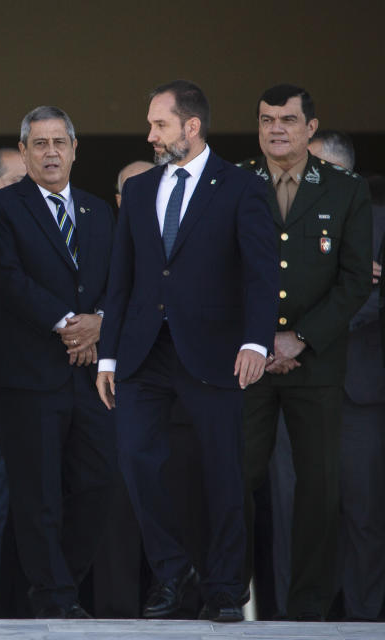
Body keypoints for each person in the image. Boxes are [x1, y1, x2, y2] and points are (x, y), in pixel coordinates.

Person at [96, 80, 279, 623]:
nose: (150, 135)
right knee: (135, 460)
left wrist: (256, 341)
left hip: (217, 351)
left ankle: (225, 588)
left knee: (224, 472)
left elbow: (261, 272)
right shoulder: (141, 188)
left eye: (160, 125)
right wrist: (107, 356)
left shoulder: (241, 186)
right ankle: (172, 573)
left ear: (191, 127)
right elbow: (121, 279)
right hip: (142, 352)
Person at [240, 84, 372, 621]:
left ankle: (308, 610)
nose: (277, 128)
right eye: (267, 118)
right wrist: (256, 337)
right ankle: (229, 595)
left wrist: (302, 336)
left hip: (316, 363)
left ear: (310, 128)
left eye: (289, 119)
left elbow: (355, 278)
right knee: (238, 480)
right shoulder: (233, 182)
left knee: (318, 490)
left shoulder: (345, 189)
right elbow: (218, 271)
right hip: (246, 360)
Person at [0, 106, 116, 618]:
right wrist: (69, 324)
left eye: (60, 142)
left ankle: (57, 584)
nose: (51, 152)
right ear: (24, 152)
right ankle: (56, 597)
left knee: (98, 483)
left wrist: (98, 322)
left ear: (75, 149)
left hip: (90, 371)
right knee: (37, 493)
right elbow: (7, 278)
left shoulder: (98, 210)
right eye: (39, 144)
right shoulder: (2, 208)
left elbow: (118, 280)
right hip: (27, 373)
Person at [338, 173, 385, 621]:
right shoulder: (273, 222)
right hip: (289, 385)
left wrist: (306, 334)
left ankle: (365, 617)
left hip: (360, 390)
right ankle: (296, 618)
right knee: (295, 511)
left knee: (365, 512)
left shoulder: (379, 223)